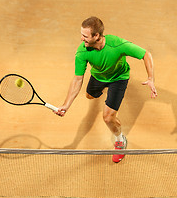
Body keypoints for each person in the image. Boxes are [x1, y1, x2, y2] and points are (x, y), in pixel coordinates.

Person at [55, 16, 157, 163]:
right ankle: (106, 93)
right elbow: (78, 79)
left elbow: (146, 54)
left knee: (108, 117)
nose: (81, 38)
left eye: (85, 35)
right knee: (89, 96)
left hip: (118, 79)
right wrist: (66, 105)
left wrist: (151, 78)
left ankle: (120, 140)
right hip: (98, 77)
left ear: (96, 36)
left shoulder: (117, 44)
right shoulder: (82, 52)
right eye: (81, 34)